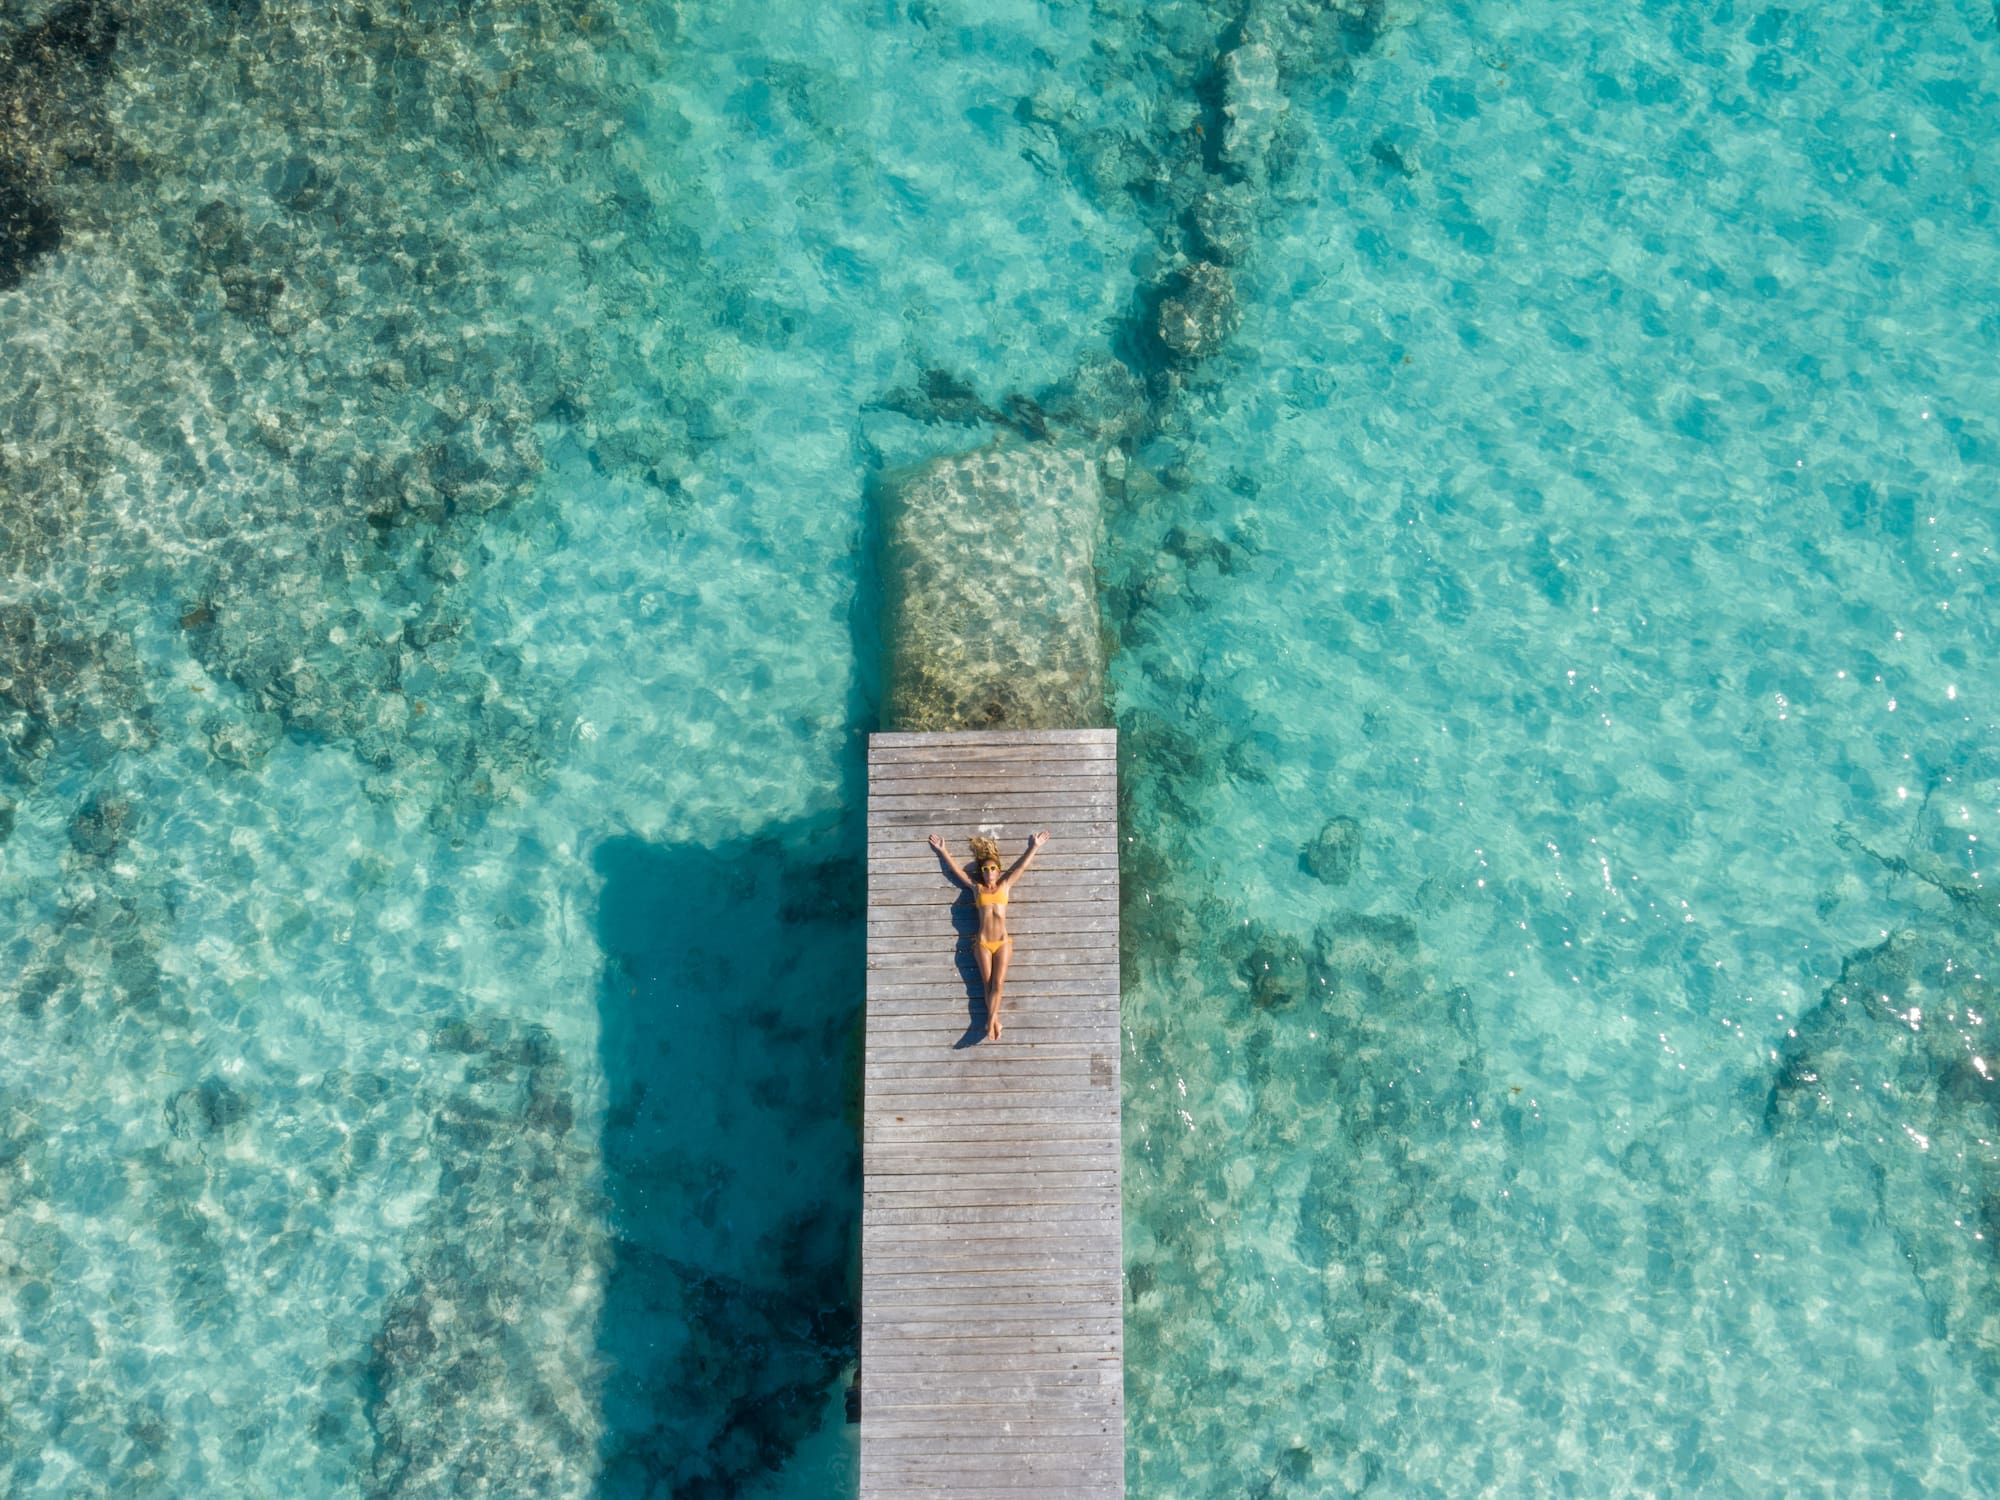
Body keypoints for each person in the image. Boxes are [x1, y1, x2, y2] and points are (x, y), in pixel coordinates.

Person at [927, 830, 1049, 1041]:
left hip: (1002, 942)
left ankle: (991, 1020)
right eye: (986, 868)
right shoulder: (977, 889)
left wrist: (1034, 847)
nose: (989, 871)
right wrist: (943, 851)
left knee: (998, 983)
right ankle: (994, 1020)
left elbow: (1021, 867)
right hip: (983, 943)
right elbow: (958, 873)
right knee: (987, 983)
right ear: (982, 872)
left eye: (993, 868)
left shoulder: (1005, 886)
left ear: (998, 870)